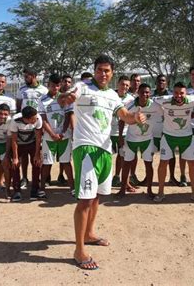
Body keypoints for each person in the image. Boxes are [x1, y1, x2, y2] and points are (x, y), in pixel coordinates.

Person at [58, 55, 146, 270]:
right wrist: (65, 99)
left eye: (107, 70)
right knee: (85, 200)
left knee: (97, 197)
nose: (103, 74)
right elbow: (66, 98)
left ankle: (89, 234)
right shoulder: (82, 86)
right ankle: (79, 250)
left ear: (112, 73)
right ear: (94, 70)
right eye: (99, 70)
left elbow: (124, 115)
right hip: (86, 149)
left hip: (106, 150)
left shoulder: (113, 95)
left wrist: (136, 117)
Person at [155, 82, 194, 203]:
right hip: (168, 137)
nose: (179, 95)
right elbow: (151, 100)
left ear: (186, 93)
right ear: (172, 93)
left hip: (187, 137)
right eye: (176, 93)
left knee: (192, 164)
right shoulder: (164, 100)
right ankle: (160, 193)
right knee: (163, 163)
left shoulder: (193, 99)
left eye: (181, 93)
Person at [118, 83, 162, 198]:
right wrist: (120, 137)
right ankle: (122, 189)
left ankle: (149, 190)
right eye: (142, 92)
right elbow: (122, 120)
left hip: (147, 139)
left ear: (150, 93)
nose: (145, 94)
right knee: (127, 164)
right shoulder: (129, 105)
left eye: (147, 92)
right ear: (138, 92)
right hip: (131, 139)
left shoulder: (155, 106)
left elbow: (165, 114)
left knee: (148, 164)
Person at [38, 74, 74, 196]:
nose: (55, 88)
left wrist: (63, 132)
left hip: (64, 136)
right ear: (48, 85)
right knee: (47, 163)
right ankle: (42, 188)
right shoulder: (42, 100)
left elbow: (69, 116)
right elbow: (43, 120)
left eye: (58, 85)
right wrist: (52, 134)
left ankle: (72, 188)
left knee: (66, 162)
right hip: (49, 138)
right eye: (53, 85)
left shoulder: (66, 98)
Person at [15, 68, 47, 188]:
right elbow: (18, 108)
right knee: (23, 154)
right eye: (24, 76)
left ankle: (38, 177)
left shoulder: (44, 90)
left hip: (37, 123)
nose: (25, 78)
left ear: (34, 76)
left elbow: (46, 107)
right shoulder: (21, 89)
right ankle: (24, 177)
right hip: (24, 124)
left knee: (38, 151)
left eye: (27, 76)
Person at [8, 106, 43, 201]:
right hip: (19, 144)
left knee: (37, 164)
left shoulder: (38, 118)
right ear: (26, 119)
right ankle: (17, 191)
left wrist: (37, 154)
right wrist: (15, 157)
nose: (36, 119)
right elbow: (14, 140)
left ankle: (35, 189)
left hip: (32, 143)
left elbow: (38, 138)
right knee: (14, 165)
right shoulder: (15, 120)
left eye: (36, 117)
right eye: (33, 119)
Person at [151, 74, 178, 186]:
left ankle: (172, 177)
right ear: (156, 83)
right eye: (159, 81)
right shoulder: (151, 97)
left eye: (163, 81)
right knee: (149, 156)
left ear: (166, 83)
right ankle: (148, 178)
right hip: (153, 131)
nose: (161, 83)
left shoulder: (172, 97)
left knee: (171, 155)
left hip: (167, 130)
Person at [109, 75, 134, 187]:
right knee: (106, 156)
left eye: (127, 85)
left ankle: (117, 177)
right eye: (122, 84)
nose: (124, 87)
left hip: (124, 132)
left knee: (122, 156)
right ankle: (105, 178)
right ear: (118, 84)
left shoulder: (131, 100)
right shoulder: (110, 96)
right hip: (108, 132)